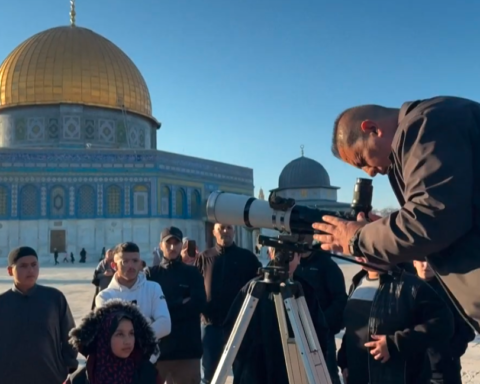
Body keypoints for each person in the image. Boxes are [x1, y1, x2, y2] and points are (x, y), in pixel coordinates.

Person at [312, 97, 480, 332]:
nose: (369, 172)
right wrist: (385, 231)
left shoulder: (425, 125)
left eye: (362, 160)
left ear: (372, 129)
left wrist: (357, 237)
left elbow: (431, 220)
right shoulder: (437, 120)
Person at [337, 257, 454, 384]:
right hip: (358, 377)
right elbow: (353, 328)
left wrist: (395, 343)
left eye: (367, 247)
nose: (360, 256)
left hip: (399, 377)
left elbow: (443, 323)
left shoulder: (412, 286)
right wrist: (345, 362)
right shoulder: (358, 282)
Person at [223, 249, 329, 384]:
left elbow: (319, 332)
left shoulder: (304, 291)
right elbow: (231, 329)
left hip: (296, 369)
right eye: (280, 254)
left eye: (290, 255)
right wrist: (245, 361)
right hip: (256, 371)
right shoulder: (253, 289)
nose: (285, 261)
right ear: (270, 254)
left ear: (299, 257)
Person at [0, 246, 78, 384]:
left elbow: (70, 335)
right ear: (10, 271)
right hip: (9, 377)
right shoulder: (3, 302)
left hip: (50, 376)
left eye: (34, 265)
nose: (30, 270)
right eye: (23, 266)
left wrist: (67, 366)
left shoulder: (54, 298)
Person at [195, 223, 261, 383]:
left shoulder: (247, 258)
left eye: (229, 228)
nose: (225, 231)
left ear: (234, 231)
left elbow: (260, 288)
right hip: (212, 326)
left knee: (243, 373)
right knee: (211, 375)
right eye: (221, 228)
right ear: (214, 232)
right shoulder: (205, 257)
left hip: (240, 326)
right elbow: (194, 286)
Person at [146, 227, 207, 384]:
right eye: (168, 243)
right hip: (158, 353)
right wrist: (181, 302)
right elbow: (146, 309)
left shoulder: (192, 273)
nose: (172, 247)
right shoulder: (151, 274)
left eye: (176, 243)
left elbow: (198, 304)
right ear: (161, 246)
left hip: (187, 352)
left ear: (182, 245)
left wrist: (162, 310)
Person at [65, 299, 161, 384]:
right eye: (120, 334)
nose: (128, 341)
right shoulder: (79, 380)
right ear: (105, 338)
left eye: (131, 333)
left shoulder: (148, 375)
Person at [293, 237, 347, 384]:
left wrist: (321, 323)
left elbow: (340, 300)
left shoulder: (327, 265)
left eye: (305, 236)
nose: (302, 240)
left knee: (327, 377)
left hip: (321, 334)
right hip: (294, 333)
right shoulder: (290, 265)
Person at [95, 242, 171, 344]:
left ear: (140, 263)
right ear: (114, 265)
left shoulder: (153, 288)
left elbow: (165, 325)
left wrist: (128, 336)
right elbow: (111, 331)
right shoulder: (104, 296)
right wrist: (149, 322)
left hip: (148, 358)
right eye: (125, 261)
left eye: (135, 261)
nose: (131, 266)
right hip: (117, 359)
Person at [413, 260, 475, 384]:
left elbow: (466, 325)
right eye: (421, 261)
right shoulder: (404, 288)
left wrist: (451, 353)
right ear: (414, 262)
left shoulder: (451, 290)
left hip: (446, 369)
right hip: (414, 369)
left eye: (429, 261)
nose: (425, 266)